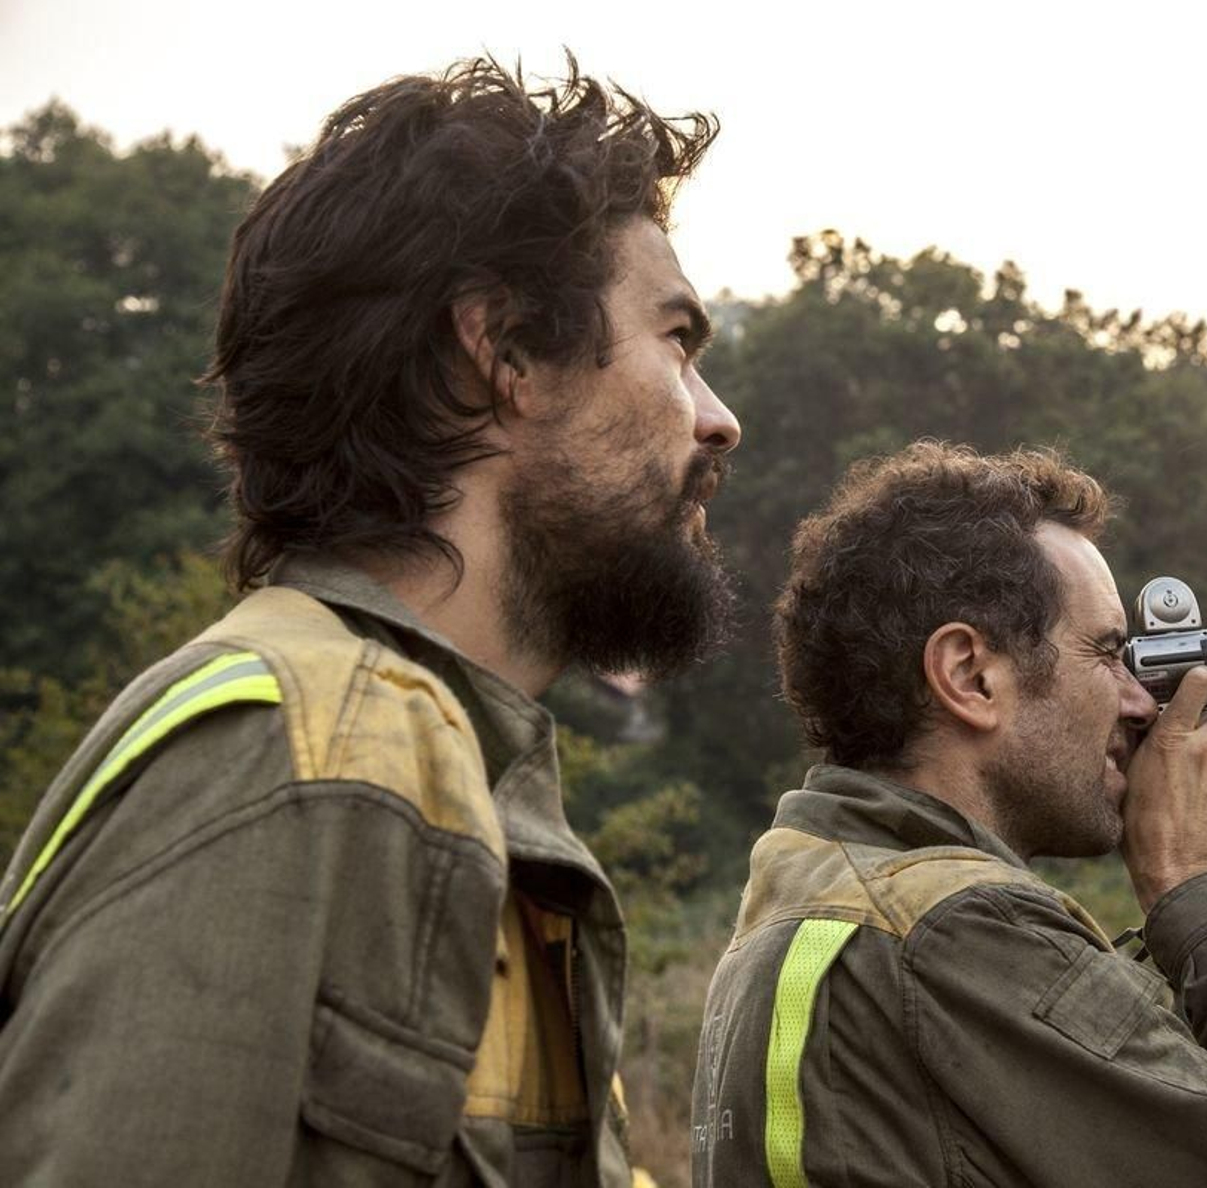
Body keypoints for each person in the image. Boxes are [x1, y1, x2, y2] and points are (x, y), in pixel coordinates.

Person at [0, 58, 739, 1186]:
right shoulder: (301, 758)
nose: (715, 419)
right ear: (503, 354)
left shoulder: (431, 762)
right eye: (677, 340)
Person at [690, 442, 1207, 1187]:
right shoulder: (955, 936)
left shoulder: (818, 897)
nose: (1141, 699)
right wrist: (1193, 880)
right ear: (971, 675)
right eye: (1109, 653)